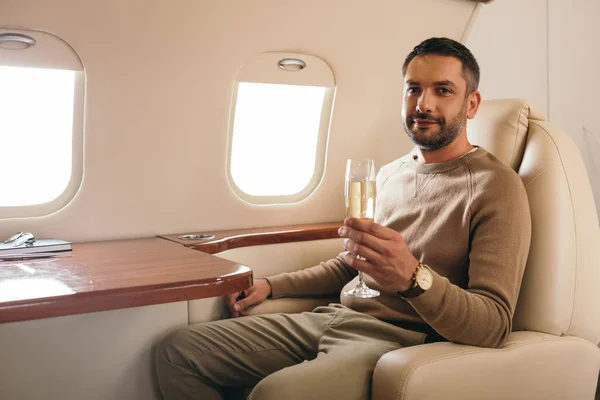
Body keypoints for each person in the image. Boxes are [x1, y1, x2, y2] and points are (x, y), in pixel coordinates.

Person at [155, 37, 532, 400]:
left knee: (274, 394)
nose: (423, 104)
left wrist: (413, 277)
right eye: (413, 89)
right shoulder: (389, 174)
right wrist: (273, 285)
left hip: (397, 340)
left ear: (472, 103)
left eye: (443, 90)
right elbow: (352, 265)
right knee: (177, 351)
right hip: (335, 317)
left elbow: (493, 324)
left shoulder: (495, 187)